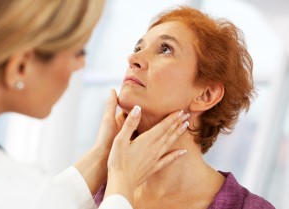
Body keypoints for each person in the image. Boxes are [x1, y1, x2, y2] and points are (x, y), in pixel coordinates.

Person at [0, 0, 191, 209]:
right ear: (21, 66)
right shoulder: (4, 186)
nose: (80, 65)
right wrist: (122, 180)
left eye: (165, 49)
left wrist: (103, 156)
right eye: (79, 51)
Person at [94, 6, 275, 209]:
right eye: (138, 48)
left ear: (206, 95)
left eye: (165, 49)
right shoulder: (92, 196)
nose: (132, 59)